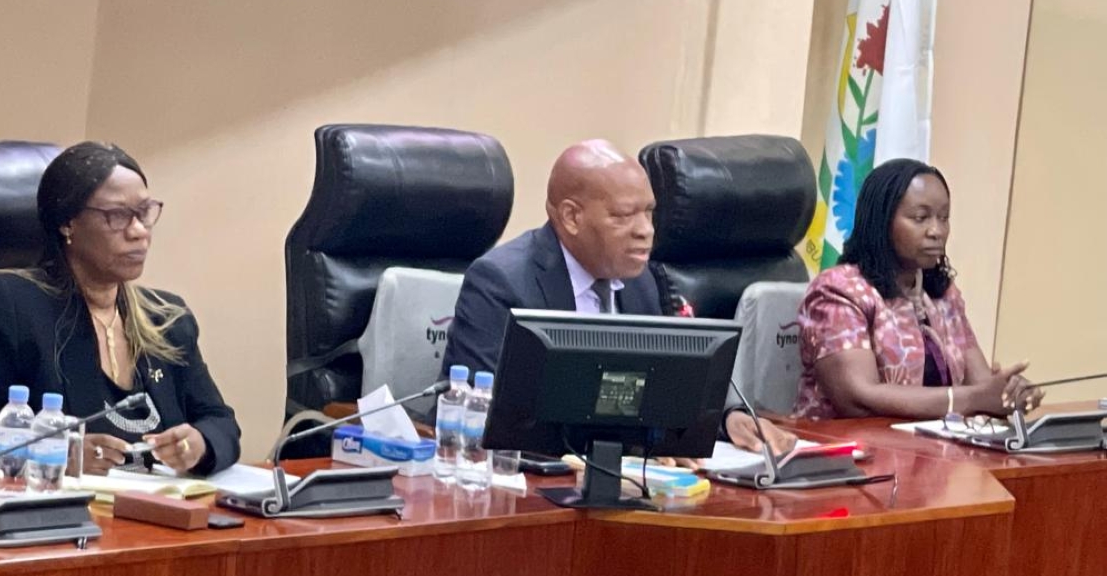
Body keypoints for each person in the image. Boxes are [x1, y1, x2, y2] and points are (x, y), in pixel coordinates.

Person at [443, 139, 796, 453]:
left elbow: (666, 387)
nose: (646, 231)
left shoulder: (643, 281)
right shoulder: (501, 281)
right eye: (624, 216)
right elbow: (480, 412)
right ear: (571, 217)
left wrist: (727, 418)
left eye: (649, 212)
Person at [0, 142, 240, 477]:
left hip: (162, 505)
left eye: (144, 212)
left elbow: (220, 422)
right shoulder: (12, 305)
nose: (139, 231)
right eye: (117, 216)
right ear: (67, 223)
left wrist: (200, 444)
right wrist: (50, 457)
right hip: (57, 505)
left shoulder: (167, 318)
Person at [794, 158, 1043, 420]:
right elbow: (857, 398)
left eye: (944, 218)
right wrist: (974, 398)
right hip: (847, 444)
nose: (937, 231)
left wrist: (1008, 393)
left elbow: (981, 386)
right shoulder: (839, 290)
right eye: (920, 218)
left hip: (930, 442)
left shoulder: (942, 294)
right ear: (882, 221)